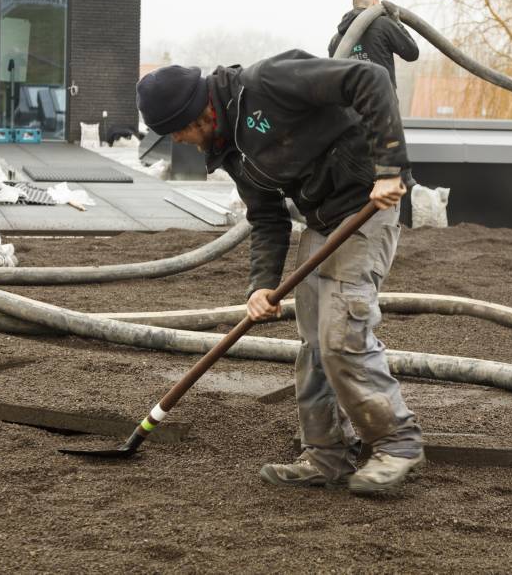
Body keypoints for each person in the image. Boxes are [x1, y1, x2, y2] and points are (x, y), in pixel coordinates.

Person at [136, 51, 425, 494]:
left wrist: (388, 168)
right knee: (313, 342)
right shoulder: (229, 148)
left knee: (340, 332)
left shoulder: (268, 83)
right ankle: (326, 455)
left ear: (199, 112)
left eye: (180, 131)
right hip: (323, 220)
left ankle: (397, 444)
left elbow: (370, 78)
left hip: (370, 204)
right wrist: (263, 285)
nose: (183, 142)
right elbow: (267, 217)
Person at [328, 0, 419, 88]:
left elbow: (335, 77)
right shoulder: (383, 25)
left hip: (350, 102)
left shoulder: (335, 40)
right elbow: (412, 53)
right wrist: (397, 22)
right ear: (375, 2)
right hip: (381, 99)